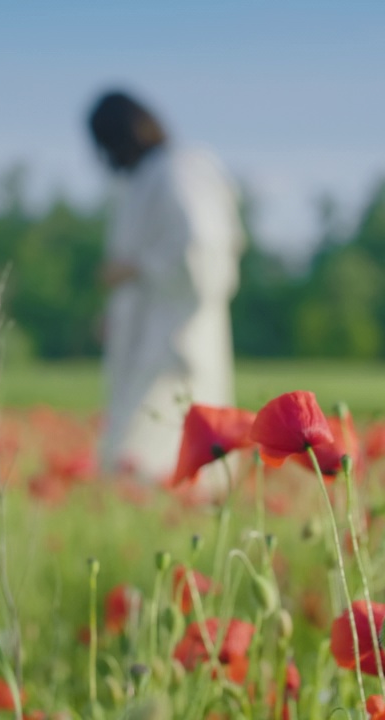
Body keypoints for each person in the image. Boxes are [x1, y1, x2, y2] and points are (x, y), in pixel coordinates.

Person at [87, 90, 244, 483]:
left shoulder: (179, 170)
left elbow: (202, 247)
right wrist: (118, 312)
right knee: (139, 437)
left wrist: (134, 269)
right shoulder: (147, 177)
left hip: (175, 334)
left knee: (158, 434)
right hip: (148, 325)